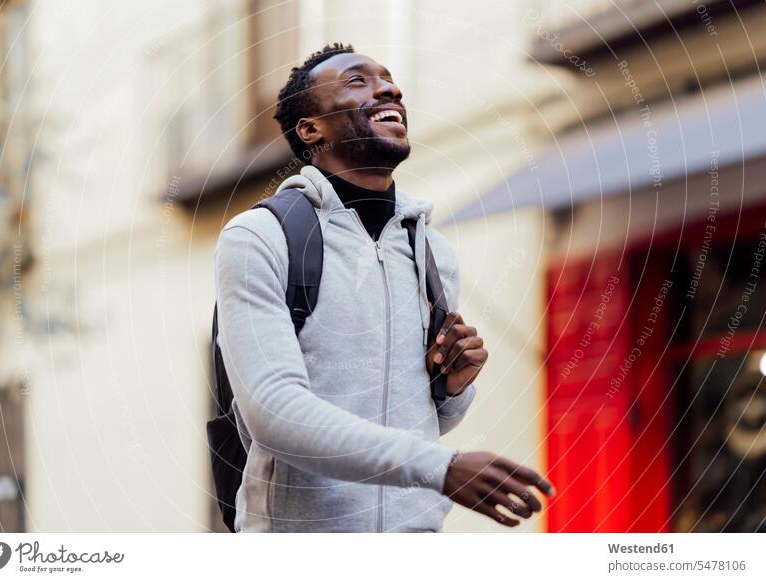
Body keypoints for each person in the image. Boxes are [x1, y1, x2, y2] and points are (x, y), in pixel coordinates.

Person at [214, 43, 554, 532]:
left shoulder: (432, 253)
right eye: (358, 81)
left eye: (390, 79)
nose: (390, 88)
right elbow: (274, 413)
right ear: (311, 129)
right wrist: (442, 467)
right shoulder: (260, 238)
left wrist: (451, 390)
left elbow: (423, 422)